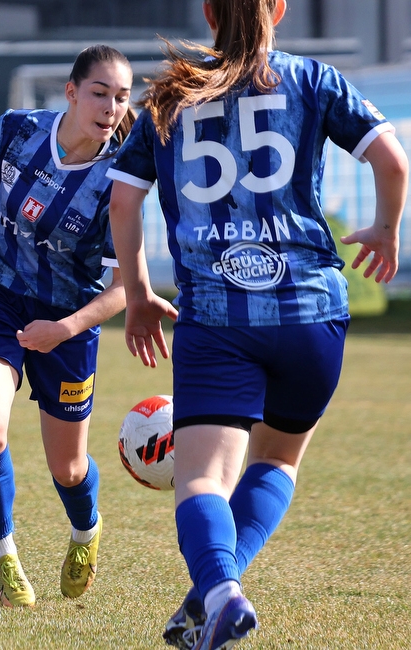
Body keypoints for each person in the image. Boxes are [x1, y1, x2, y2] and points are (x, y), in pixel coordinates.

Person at [106, 1, 408, 648]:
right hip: (311, 314)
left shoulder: (170, 93)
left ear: (209, 12)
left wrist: (136, 294)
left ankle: (217, 593)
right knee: (277, 460)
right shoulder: (313, 79)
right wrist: (386, 229)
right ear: (280, 9)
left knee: (203, 480)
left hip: (217, 316)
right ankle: (212, 600)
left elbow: (123, 199)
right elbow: (394, 162)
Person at [0, 45, 133, 607]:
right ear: (71, 92)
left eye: (121, 97)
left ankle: (85, 532)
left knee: (68, 469)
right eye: (100, 93)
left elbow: (122, 290)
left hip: (69, 320)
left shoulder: (122, 178)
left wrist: (63, 330)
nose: (112, 106)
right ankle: (4, 557)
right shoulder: (16, 129)